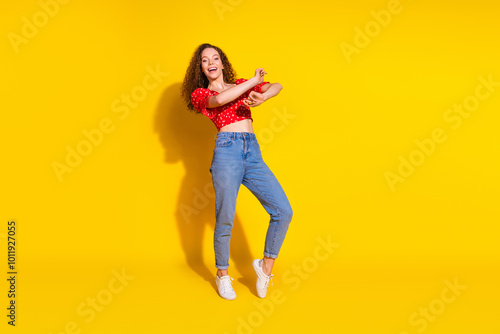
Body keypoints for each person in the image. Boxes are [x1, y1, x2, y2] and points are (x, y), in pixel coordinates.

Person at [181, 43, 293, 300]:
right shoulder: (200, 94)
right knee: (226, 216)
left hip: (252, 152)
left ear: (222, 63)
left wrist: (263, 95)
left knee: (283, 210)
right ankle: (222, 275)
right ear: (201, 68)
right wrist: (253, 81)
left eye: (215, 57)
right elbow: (220, 99)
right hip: (227, 153)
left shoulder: (241, 84)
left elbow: (276, 86)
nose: (210, 62)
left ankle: (265, 268)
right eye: (204, 60)